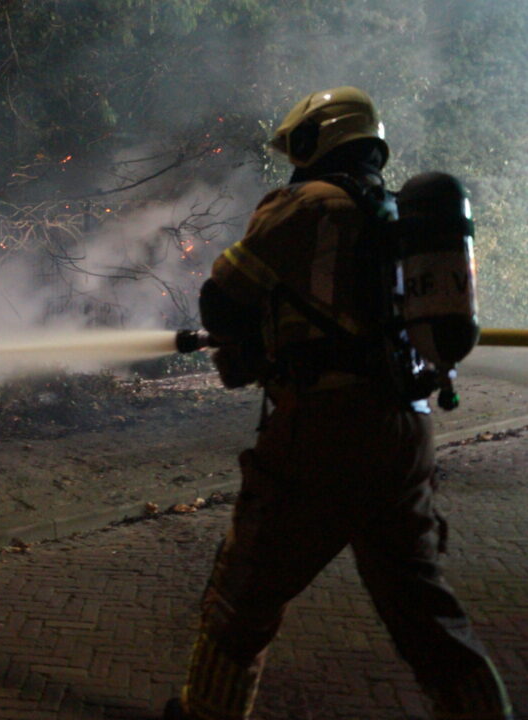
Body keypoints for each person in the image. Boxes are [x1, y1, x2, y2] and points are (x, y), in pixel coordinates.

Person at [164, 87, 515, 720]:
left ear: (315, 137)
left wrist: (249, 344)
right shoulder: (399, 217)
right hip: (407, 431)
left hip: (323, 432)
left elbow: (222, 298)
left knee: (240, 597)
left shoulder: (302, 205)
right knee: (427, 618)